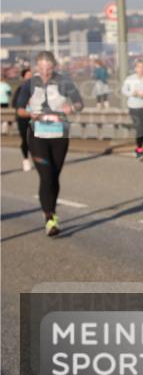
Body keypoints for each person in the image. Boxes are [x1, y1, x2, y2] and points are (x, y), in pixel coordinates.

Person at [14, 51, 84, 237]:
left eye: (49, 68)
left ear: (54, 67)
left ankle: (52, 212)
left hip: (59, 134)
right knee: (46, 176)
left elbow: (79, 103)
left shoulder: (64, 81)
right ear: (37, 67)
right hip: (37, 135)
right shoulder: (29, 84)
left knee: (54, 175)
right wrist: (30, 114)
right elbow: (19, 110)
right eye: (42, 68)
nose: (45, 72)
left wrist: (72, 107)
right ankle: (50, 218)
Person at [121, 60, 143, 159]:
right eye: (139, 67)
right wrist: (133, 93)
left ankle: (138, 148)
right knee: (139, 127)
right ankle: (140, 149)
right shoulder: (130, 79)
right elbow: (124, 90)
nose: (141, 69)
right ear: (135, 68)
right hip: (133, 107)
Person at [13, 68, 33, 172]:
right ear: (23, 76)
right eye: (28, 75)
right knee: (25, 139)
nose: (30, 77)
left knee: (36, 139)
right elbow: (15, 104)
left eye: (31, 75)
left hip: (35, 118)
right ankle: (26, 159)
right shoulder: (20, 89)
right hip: (22, 118)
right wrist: (25, 104)